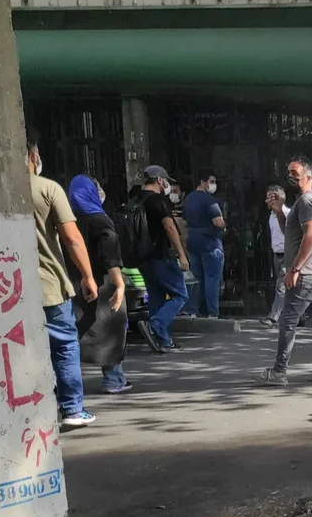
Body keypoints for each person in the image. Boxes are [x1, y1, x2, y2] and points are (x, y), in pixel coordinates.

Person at [26, 128, 100, 427]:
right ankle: (72, 408)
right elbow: (71, 238)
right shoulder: (47, 189)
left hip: (2, 288)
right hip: (49, 287)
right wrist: (87, 276)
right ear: (34, 156)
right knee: (64, 345)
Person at [256, 157, 312, 386]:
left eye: (295, 173)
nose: (290, 176)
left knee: (288, 321)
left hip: (306, 274)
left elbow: (310, 236)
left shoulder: (307, 203)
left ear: (308, 176)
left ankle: (279, 371)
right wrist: (279, 211)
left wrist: (294, 269)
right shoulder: (305, 202)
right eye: (289, 172)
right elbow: (292, 233)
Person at [65, 175, 131, 394]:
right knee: (112, 330)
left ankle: (68, 384)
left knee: (75, 333)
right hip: (102, 284)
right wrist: (119, 285)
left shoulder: (67, 220)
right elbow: (110, 254)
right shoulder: (100, 220)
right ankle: (114, 379)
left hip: (75, 283)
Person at [139, 165, 189, 352]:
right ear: (160, 180)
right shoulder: (158, 201)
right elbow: (169, 228)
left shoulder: (136, 199)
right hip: (162, 255)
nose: (168, 185)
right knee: (181, 294)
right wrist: (181, 254)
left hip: (143, 258)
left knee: (156, 297)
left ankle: (163, 341)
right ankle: (156, 324)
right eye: (166, 181)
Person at [181, 171, 226, 318]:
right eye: (211, 181)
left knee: (196, 279)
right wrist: (224, 226)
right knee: (212, 279)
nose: (213, 185)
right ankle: (213, 313)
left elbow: (185, 221)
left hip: (193, 242)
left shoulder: (188, 199)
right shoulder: (209, 200)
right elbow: (218, 222)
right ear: (202, 182)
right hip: (210, 243)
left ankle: (193, 311)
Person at [261, 185, 291, 327]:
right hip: (277, 255)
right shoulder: (271, 217)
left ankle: (273, 317)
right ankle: (300, 316)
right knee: (289, 287)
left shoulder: (288, 214)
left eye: (270, 198)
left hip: (288, 255)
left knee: (281, 287)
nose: (267, 201)